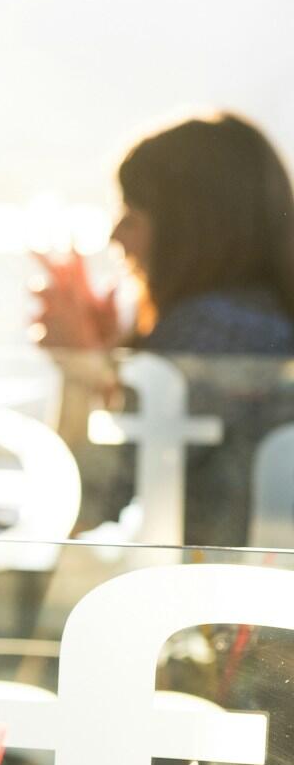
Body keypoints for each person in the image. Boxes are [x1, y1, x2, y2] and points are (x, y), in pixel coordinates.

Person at [33, 111, 294, 543]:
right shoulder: (257, 324)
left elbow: (79, 507)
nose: (115, 235)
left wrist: (80, 369)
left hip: (223, 603)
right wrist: (112, 356)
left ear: (191, 231)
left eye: (131, 215)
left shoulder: (206, 336)